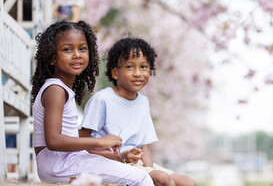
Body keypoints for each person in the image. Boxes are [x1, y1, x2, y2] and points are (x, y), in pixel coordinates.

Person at [31, 21, 154, 185]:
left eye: (82, 48)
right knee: (141, 177)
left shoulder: (60, 89)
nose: (77, 54)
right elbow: (53, 141)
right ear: (52, 58)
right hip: (59, 166)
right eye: (67, 49)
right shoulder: (56, 90)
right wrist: (100, 141)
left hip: (64, 163)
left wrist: (117, 156)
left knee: (122, 165)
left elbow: (71, 145)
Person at [79, 37, 197, 186]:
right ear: (115, 73)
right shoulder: (102, 99)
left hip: (138, 164)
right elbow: (82, 143)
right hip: (111, 163)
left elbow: (144, 146)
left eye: (143, 67)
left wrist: (149, 171)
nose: (138, 73)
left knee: (188, 183)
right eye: (130, 67)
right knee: (164, 180)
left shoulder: (143, 102)